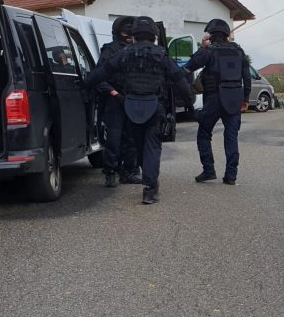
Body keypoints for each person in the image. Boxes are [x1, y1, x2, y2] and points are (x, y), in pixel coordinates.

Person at [87, 16, 194, 204]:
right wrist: (190, 103)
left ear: (134, 36)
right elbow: (179, 81)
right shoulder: (161, 55)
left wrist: (86, 84)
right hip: (154, 106)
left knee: (138, 146)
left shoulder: (124, 54)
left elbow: (99, 75)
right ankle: (150, 189)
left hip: (130, 107)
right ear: (154, 36)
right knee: (152, 147)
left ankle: (139, 177)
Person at [183, 18, 251, 186]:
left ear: (210, 35)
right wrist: (246, 99)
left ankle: (209, 170)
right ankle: (231, 176)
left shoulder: (209, 50)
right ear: (227, 34)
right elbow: (247, 77)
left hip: (214, 99)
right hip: (234, 98)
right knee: (231, 136)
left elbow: (190, 66)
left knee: (204, 133)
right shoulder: (239, 51)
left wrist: (202, 46)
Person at [96, 16, 142, 186]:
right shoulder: (110, 51)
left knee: (132, 139)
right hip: (114, 100)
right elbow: (99, 77)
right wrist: (114, 93)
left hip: (133, 99)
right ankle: (110, 172)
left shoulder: (139, 50)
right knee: (114, 139)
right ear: (119, 32)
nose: (129, 34)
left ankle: (129, 172)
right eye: (125, 31)